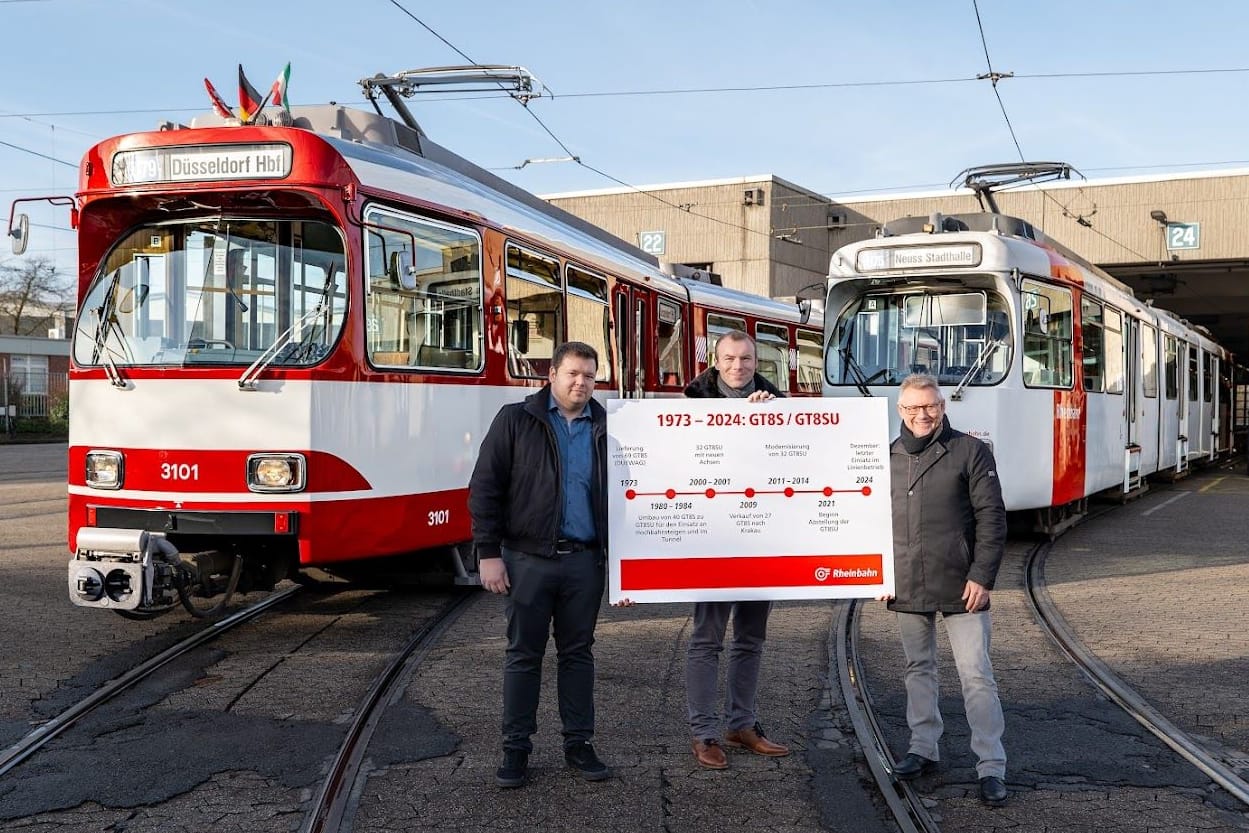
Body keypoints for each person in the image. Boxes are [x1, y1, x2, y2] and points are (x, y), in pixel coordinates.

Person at [469, 341, 614, 789]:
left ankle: (579, 745)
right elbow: (485, 487)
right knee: (523, 656)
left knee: (578, 655)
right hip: (527, 560)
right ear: (550, 374)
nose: (581, 383)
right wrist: (487, 553)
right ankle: (516, 750)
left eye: (589, 376)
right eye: (572, 373)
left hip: (584, 562)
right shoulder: (517, 419)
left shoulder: (608, 426)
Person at [881, 373, 1009, 805]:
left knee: (976, 676)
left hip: (962, 583)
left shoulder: (971, 451)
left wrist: (982, 576)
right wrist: (877, 574)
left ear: (943, 407)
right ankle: (923, 749)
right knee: (918, 668)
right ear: (900, 411)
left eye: (930, 406)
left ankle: (991, 765)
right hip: (906, 582)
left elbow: (992, 518)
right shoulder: (886, 456)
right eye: (913, 407)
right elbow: (869, 521)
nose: (923, 414)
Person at [682, 329, 791, 769]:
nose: (737, 367)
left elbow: (793, 462)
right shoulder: (693, 405)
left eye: (745, 359)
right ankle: (704, 732)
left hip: (760, 538)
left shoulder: (776, 405)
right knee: (707, 638)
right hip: (713, 539)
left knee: (751, 638)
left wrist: (770, 421)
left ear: (756, 361)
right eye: (729, 358)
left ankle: (741, 723)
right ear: (715, 359)